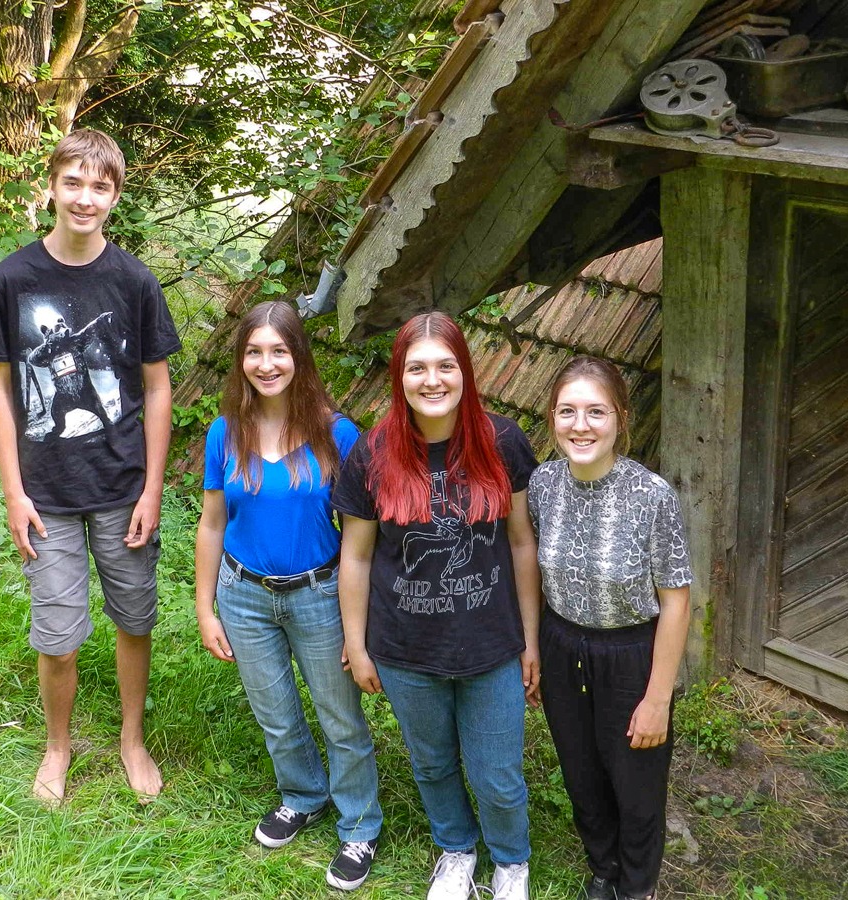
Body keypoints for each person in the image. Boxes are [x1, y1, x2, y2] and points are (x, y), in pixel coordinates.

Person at [0, 128, 181, 805]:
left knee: (134, 621)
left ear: (115, 196)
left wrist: (152, 487)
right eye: (74, 183)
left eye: (100, 186)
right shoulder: (13, 278)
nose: (85, 198)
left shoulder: (133, 281)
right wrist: (13, 492)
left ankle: (130, 738)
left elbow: (157, 386)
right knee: (57, 638)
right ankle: (57, 747)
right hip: (47, 493)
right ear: (51, 187)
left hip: (123, 487)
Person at [332, 311, 540, 900]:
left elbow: (523, 543)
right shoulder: (373, 452)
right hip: (404, 647)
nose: (432, 380)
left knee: (498, 776)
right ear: (398, 376)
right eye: (417, 367)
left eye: (445, 365)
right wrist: (356, 641)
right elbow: (358, 558)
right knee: (431, 763)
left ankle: (510, 862)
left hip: (493, 643)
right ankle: (455, 851)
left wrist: (530, 638)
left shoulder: (503, 442)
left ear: (465, 372)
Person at [194, 300, 383, 891]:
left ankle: (359, 824)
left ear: (299, 356)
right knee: (276, 715)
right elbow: (211, 523)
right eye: (254, 351)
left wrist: (360, 627)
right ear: (241, 359)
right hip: (244, 595)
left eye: (279, 351)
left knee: (339, 715)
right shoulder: (224, 431)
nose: (266, 363)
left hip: (319, 594)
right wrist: (205, 606)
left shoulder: (339, 435)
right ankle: (302, 794)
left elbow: (362, 538)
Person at [528, 356, 692, 900]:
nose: (580, 425)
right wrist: (533, 647)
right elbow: (530, 568)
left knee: (636, 781)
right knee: (581, 772)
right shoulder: (543, 485)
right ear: (552, 418)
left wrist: (658, 698)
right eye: (567, 411)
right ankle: (604, 868)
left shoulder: (653, 497)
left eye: (595, 412)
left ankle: (637, 885)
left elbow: (676, 602)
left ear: (620, 418)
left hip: (631, 654)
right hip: (560, 645)